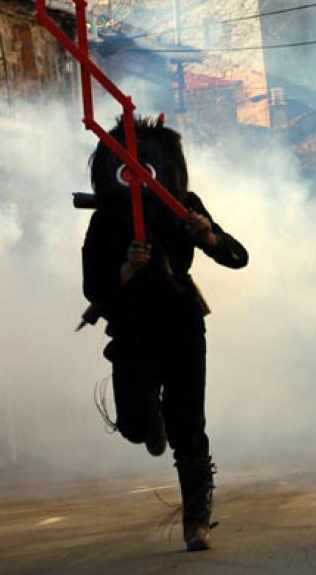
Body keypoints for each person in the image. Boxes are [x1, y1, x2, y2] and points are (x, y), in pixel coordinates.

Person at [80, 116, 248, 552]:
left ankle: (196, 519)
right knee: (134, 424)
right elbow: (92, 286)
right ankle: (150, 421)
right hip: (131, 330)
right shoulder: (105, 220)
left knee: (189, 427)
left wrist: (207, 237)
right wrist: (125, 270)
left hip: (181, 325)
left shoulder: (183, 205)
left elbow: (237, 256)